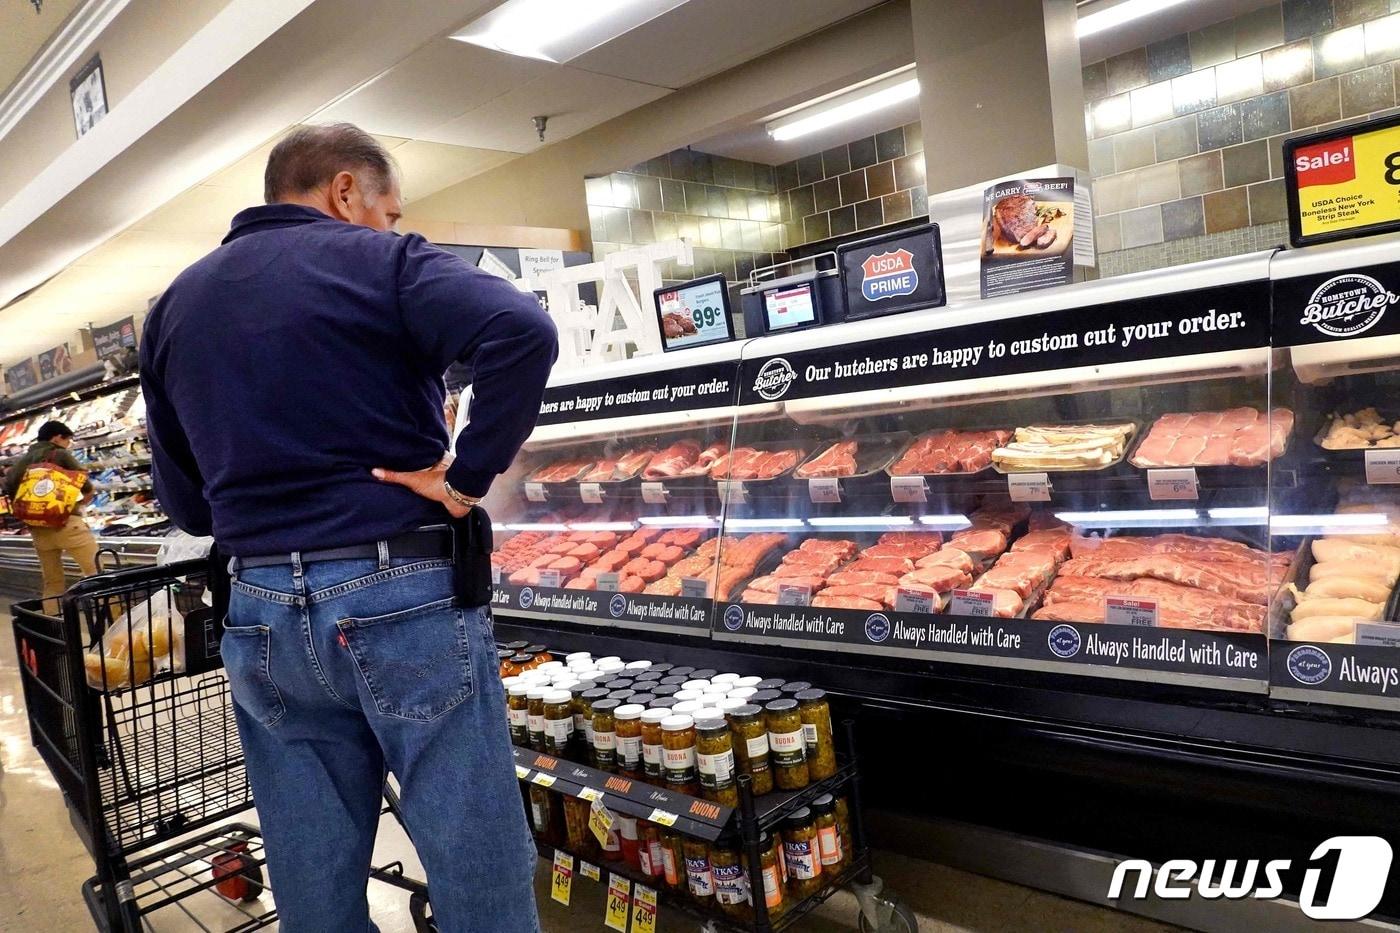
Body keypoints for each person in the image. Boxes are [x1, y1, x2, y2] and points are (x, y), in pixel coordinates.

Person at [139, 123, 557, 933]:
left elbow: (187, 507)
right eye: (389, 210)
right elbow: (522, 331)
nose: (393, 226)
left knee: (311, 864)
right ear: (344, 191)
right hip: (401, 594)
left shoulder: (174, 309)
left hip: (259, 613)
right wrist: (467, 478)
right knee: (472, 849)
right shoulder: (383, 263)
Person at [2, 420, 98, 612]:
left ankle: (54, 627)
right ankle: (117, 624)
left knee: (52, 582)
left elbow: (10, 488)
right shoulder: (59, 454)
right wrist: (78, 502)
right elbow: (85, 486)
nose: (68, 445)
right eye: (67, 440)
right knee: (97, 574)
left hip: (38, 529)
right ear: (57, 437)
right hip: (66, 524)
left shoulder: (22, 461)